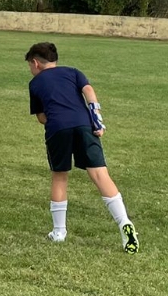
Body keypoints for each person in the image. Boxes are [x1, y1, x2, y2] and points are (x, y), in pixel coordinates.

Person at [25, 42, 138, 252]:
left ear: (35, 63)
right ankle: (124, 223)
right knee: (100, 175)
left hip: (58, 128)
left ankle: (59, 232)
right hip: (84, 124)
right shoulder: (73, 72)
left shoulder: (35, 83)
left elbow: (42, 117)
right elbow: (88, 90)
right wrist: (96, 116)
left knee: (60, 175)